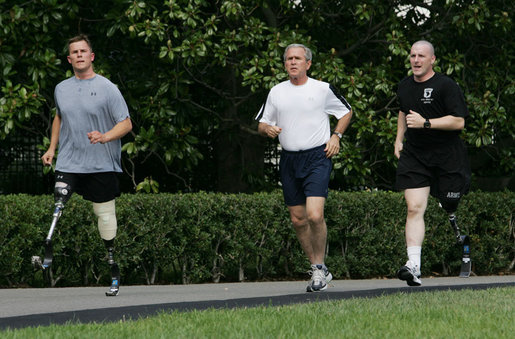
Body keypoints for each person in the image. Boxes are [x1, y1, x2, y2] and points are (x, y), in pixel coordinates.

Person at [256, 43, 352, 292]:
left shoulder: (321, 89)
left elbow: (346, 112)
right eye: (289, 59)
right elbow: (262, 123)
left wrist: (336, 136)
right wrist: (267, 129)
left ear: (308, 63)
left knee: (314, 215)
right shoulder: (276, 92)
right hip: (289, 159)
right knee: (298, 220)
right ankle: (318, 269)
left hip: (317, 157)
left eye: (298, 58)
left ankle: (319, 268)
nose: (292, 62)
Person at [41, 34, 132, 296]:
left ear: (91, 57)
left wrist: (104, 137)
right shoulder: (61, 88)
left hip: (102, 164)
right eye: (74, 52)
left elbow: (126, 124)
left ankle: (112, 266)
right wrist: (51, 148)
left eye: (84, 51)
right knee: (59, 200)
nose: (79, 55)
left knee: (104, 216)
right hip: (70, 161)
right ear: (69, 59)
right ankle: (47, 248)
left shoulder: (108, 88)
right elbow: (59, 116)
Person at [394, 40, 471, 286]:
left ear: (432, 60)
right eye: (412, 55)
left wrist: (427, 122)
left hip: (447, 155)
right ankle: (414, 266)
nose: (416, 60)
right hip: (416, 155)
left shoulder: (446, 85)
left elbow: (459, 122)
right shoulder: (404, 86)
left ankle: (454, 219)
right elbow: (403, 113)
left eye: (421, 56)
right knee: (414, 207)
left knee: (450, 201)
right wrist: (398, 139)